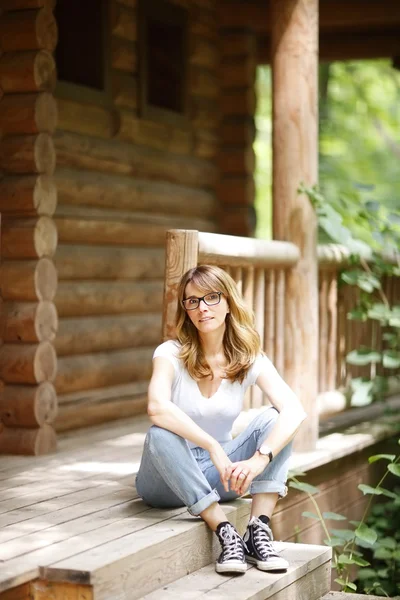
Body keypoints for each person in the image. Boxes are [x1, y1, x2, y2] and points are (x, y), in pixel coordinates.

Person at [136, 265, 306, 575]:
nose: (202, 308)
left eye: (211, 298)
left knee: (275, 418)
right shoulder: (169, 353)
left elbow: (295, 410)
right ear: (186, 310)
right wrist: (212, 445)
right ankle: (226, 532)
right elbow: (156, 407)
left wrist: (258, 460)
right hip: (163, 481)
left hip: (220, 477)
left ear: (228, 302)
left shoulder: (249, 357)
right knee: (160, 433)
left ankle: (258, 530)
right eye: (192, 301)